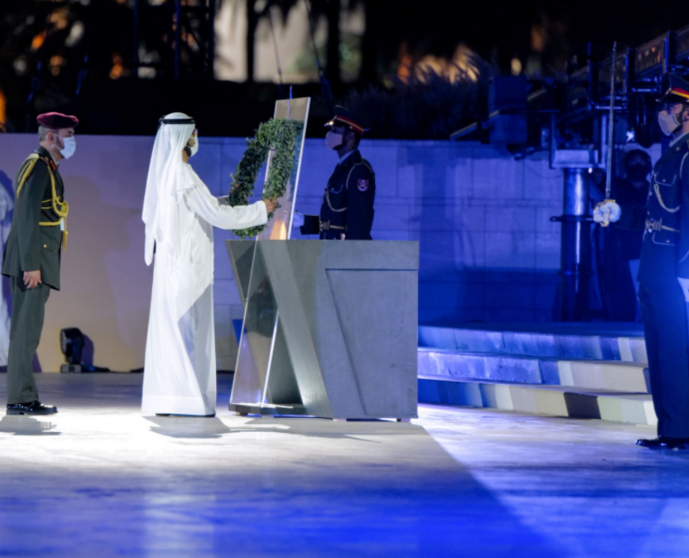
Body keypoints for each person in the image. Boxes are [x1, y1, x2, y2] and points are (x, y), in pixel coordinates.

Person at [141, 112, 276, 417]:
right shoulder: (182, 174)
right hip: (188, 268)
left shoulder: (169, 174)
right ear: (184, 136)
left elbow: (205, 207)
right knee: (190, 335)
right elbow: (216, 216)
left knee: (176, 335)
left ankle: (171, 399)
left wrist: (228, 201)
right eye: (194, 130)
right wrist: (259, 210)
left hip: (175, 268)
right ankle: (188, 401)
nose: (196, 135)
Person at [595, 75, 689, 449]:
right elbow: (657, 215)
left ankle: (681, 428)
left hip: (671, 270)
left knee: (675, 349)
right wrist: (618, 215)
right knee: (658, 349)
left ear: (685, 111)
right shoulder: (670, 155)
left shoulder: (686, 157)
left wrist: (685, 274)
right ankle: (668, 427)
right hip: (653, 267)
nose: (662, 114)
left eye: (668, 108)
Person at [2, 112, 77, 415]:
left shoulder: (48, 167)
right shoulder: (36, 166)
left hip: (38, 261)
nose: (72, 140)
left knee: (28, 332)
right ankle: (19, 398)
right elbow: (26, 217)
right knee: (24, 332)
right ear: (51, 137)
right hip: (31, 264)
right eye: (69, 134)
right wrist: (31, 264)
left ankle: (26, 396)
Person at [300, 106, 376, 240]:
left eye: (336, 130)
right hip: (331, 251)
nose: (331, 134)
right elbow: (335, 222)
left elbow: (358, 223)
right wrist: (302, 221)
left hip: (343, 254)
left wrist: (351, 256)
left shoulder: (359, 171)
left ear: (351, 135)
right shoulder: (343, 168)